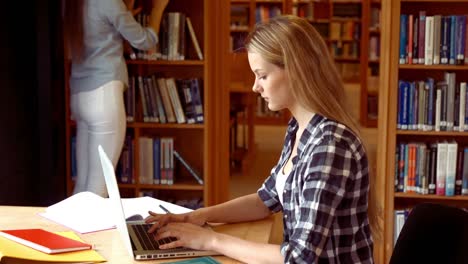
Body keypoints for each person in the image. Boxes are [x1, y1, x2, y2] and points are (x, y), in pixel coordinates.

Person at [145, 15, 377, 263]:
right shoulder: (300, 128)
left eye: (262, 75)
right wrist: (197, 216)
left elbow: (300, 258)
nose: (255, 87)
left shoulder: (330, 146)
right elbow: (265, 200)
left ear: (296, 71)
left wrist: (209, 240)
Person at [63, 0, 168, 197]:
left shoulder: (71, 5)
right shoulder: (108, 2)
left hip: (79, 94)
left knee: (83, 186)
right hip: (104, 95)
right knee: (98, 188)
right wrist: (158, 10)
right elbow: (145, 41)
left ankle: (75, 228)